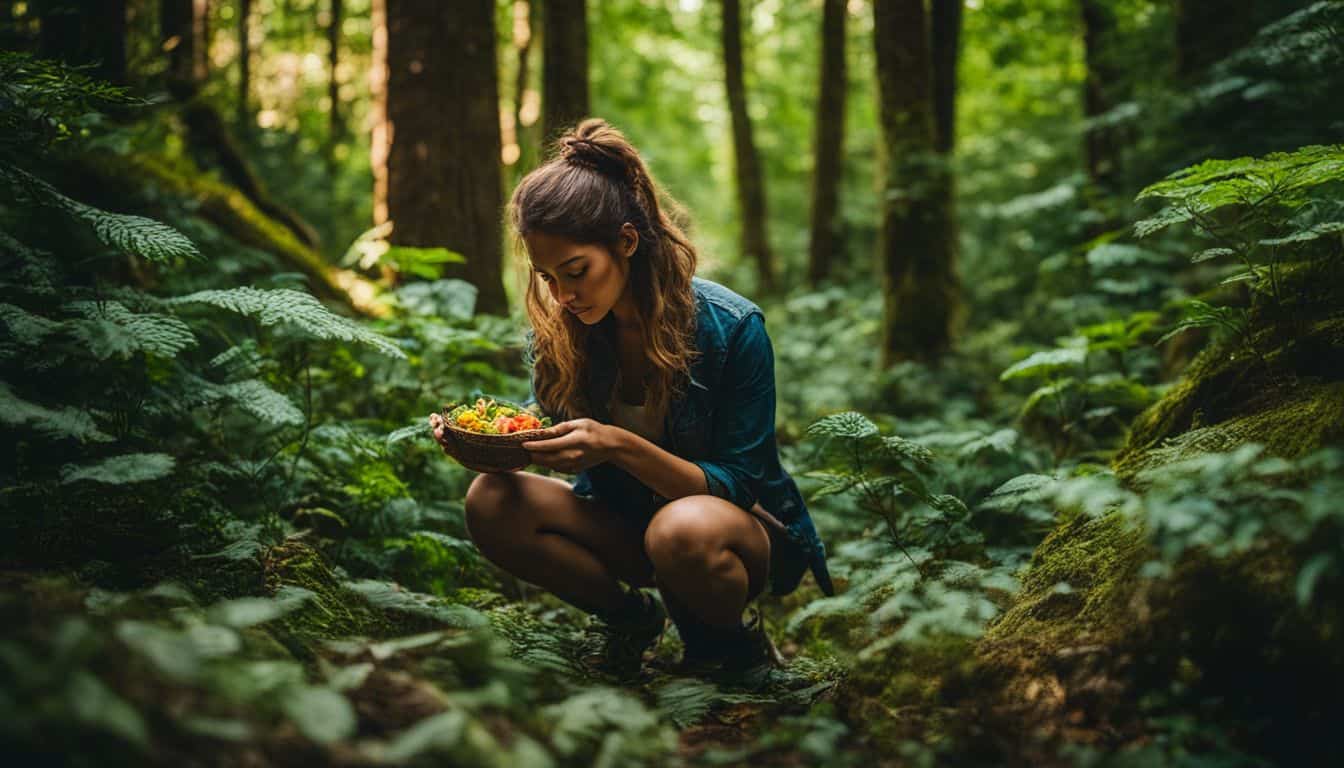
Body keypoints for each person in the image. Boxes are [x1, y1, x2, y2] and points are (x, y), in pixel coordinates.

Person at [429, 118, 832, 684]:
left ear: (626, 241)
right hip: (622, 526)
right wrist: (494, 447)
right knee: (489, 500)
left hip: (723, 534)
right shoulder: (560, 333)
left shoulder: (732, 327)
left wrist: (616, 444)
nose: (563, 296)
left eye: (576, 272)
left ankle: (726, 644)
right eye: (547, 278)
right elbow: (545, 429)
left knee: (679, 529)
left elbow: (742, 481)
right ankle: (630, 622)